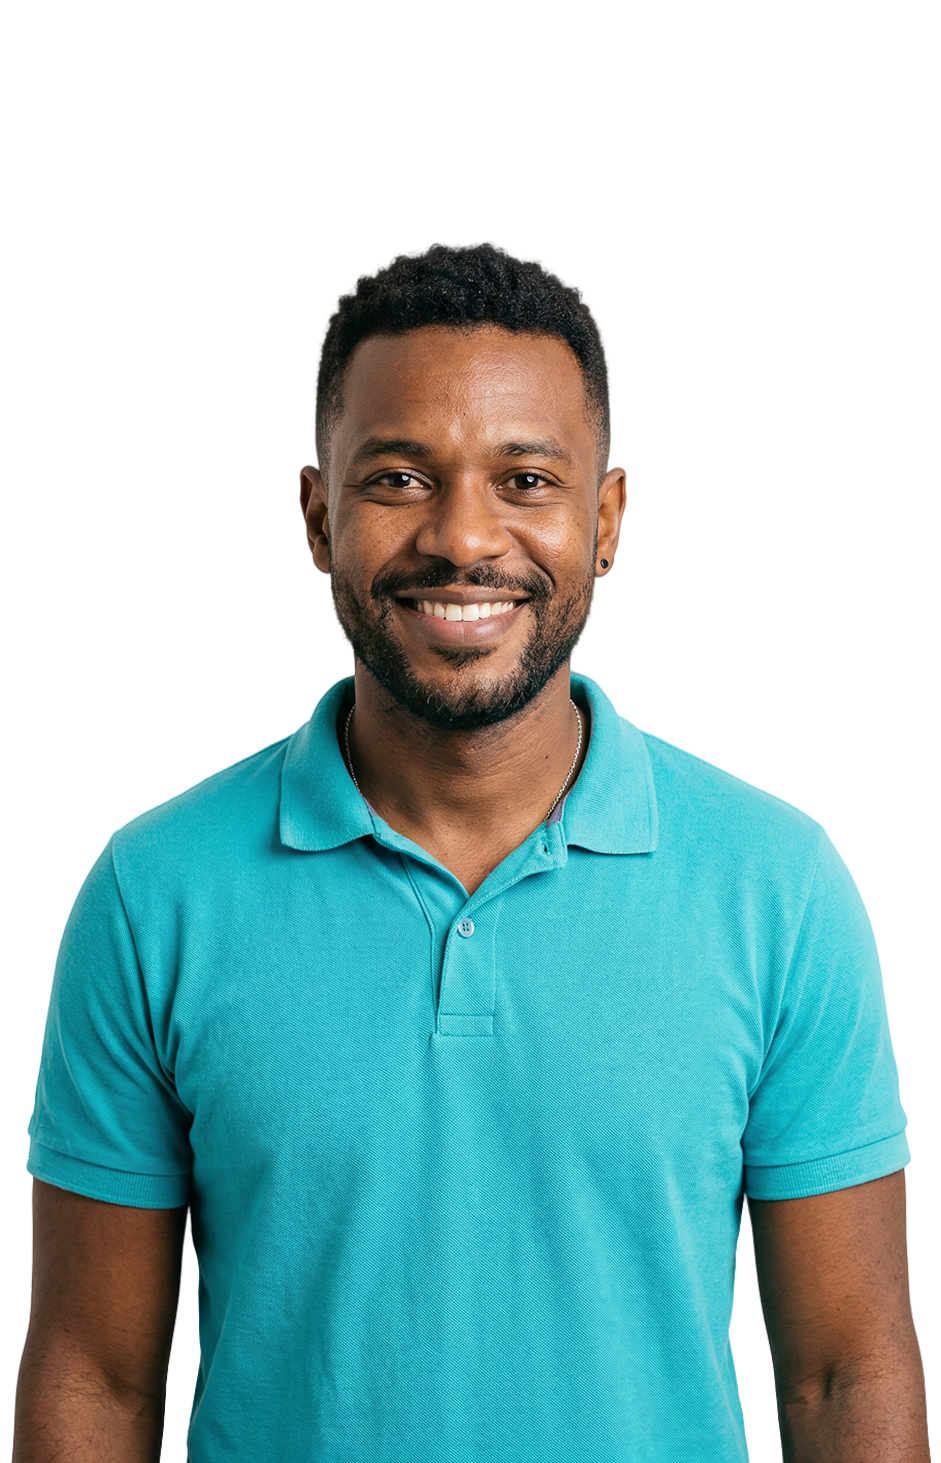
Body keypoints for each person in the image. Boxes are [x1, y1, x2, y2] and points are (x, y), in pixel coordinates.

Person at [15, 244, 928, 1463]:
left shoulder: (778, 890)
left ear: (603, 522)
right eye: (399, 477)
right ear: (318, 517)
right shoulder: (153, 896)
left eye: (525, 478)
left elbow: (840, 1372)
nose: (461, 536)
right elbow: (95, 1376)